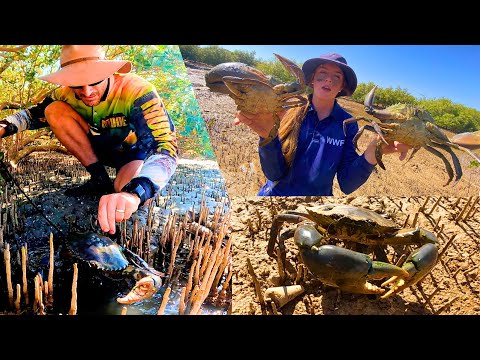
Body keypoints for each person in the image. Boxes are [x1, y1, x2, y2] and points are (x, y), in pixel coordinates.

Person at [0, 45, 178, 233]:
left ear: (109, 72)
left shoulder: (138, 91)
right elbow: (31, 115)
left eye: (95, 81)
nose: (87, 92)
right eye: (77, 84)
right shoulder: (64, 93)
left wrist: (136, 193)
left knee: (125, 190)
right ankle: (99, 179)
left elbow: (166, 147)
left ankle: (122, 185)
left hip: (132, 154)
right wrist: (3, 127)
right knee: (53, 109)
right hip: (98, 147)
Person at [235, 52, 410, 196]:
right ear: (311, 79)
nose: (328, 80)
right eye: (322, 74)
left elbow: (347, 185)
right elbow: (274, 174)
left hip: (316, 208)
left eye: (336, 77)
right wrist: (267, 138)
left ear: (342, 86)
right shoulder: (288, 110)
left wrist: (371, 154)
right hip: (274, 198)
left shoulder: (348, 124)